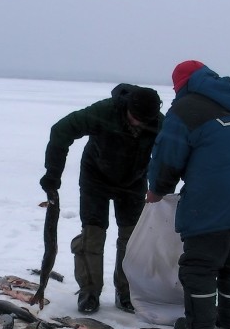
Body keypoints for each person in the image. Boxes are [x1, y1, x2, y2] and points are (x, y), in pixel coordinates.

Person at [146, 60, 230, 329]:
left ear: (181, 85)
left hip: (211, 201)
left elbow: (168, 155)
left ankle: (199, 328)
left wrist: (158, 189)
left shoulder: (185, 110)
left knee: (200, 265)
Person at [40, 84, 164, 314]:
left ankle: (126, 293)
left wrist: (161, 187)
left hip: (134, 181)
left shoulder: (159, 123)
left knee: (132, 238)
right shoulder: (105, 111)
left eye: (144, 121)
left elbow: (172, 155)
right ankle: (89, 292)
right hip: (95, 178)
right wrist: (52, 175)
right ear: (127, 107)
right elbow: (61, 130)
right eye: (135, 118)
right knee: (93, 235)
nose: (138, 124)